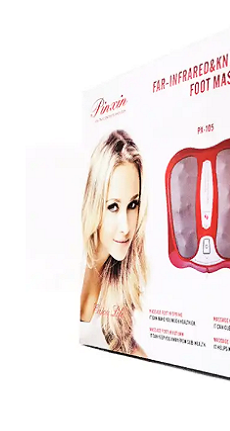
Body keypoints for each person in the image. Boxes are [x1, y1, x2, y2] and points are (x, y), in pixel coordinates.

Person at [80, 130, 148, 357]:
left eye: (133, 205)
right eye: (113, 206)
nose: (126, 227)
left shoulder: (118, 284)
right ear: (94, 203)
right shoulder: (72, 262)